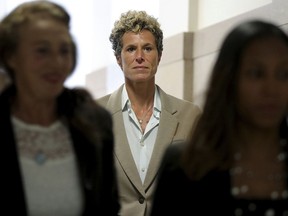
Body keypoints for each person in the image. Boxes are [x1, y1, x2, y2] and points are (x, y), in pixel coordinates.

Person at [150, 19, 288, 215]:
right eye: (257, 74)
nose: (271, 89)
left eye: (283, 74)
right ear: (229, 79)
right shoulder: (186, 165)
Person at [0, 1, 119, 215]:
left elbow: (108, 207)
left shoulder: (96, 123)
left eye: (64, 50)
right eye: (42, 51)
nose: (56, 62)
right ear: (11, 57)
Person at [97, 10, 201, 216]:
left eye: (147, 48)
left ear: (159, 56)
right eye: (130, 49)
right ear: (119, 58)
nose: (139, 57)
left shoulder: (190, 115)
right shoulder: (95, 114)